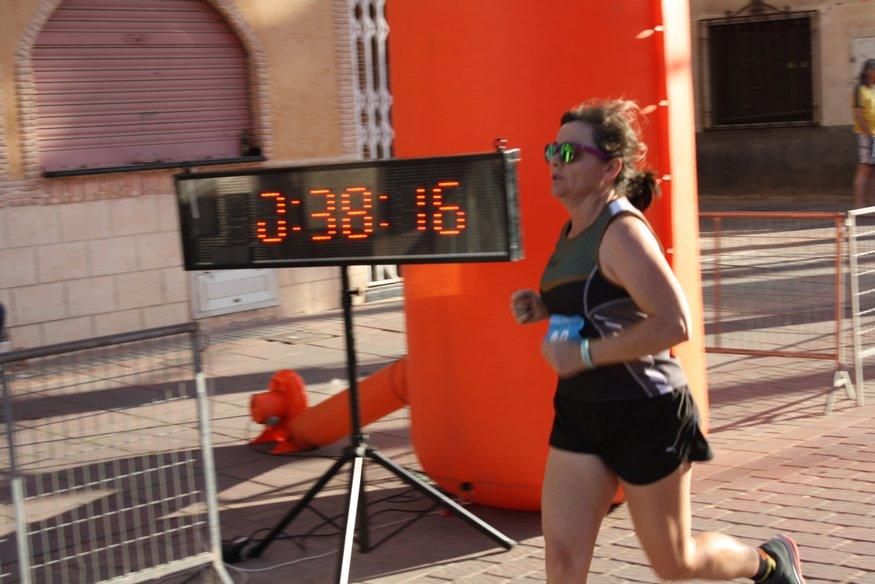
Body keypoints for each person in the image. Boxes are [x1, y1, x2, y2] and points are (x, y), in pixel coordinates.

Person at [510, 99, 805, 583]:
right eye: (551, 150)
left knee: (675, 562)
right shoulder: (572, 230)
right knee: (562, 562)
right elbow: (603, 300)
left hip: (645, 412)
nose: (553, 162)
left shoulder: (622, 231)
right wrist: (546, 307)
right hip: (582, 412)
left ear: (611, 168)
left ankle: (769, 563)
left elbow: (674, 322)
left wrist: (582, 353)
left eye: (569, 153)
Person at [853, 58, 875, 208]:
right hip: (866, 134)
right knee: (864, 168)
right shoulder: (859, 88)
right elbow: (858, 113)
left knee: (873, 171)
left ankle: (872, 204)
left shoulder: (873, 88)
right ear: (868, 72)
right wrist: (869, 133)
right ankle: (859, 206)